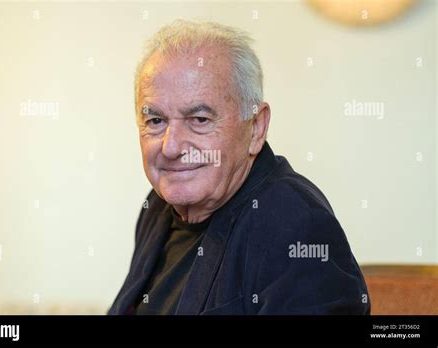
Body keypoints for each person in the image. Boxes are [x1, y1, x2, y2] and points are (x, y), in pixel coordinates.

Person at [108, 19, 370, 315]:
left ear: (256, 127)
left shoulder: (294, 224)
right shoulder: (158, 205)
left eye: (200, 120)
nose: (170, 147)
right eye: (156, 121)